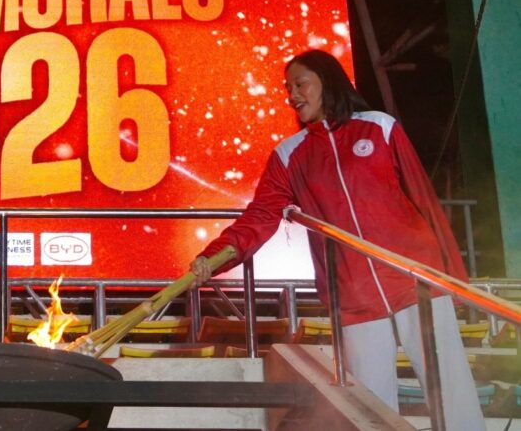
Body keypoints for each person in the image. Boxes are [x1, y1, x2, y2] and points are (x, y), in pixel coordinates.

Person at [190, 50, 483, 429]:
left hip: (416, 280)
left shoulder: (378, 127)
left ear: (327, 80)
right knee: (368, 407)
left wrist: (452, 276)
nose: (292, 95)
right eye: (288, 88)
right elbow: (259, 218)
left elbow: (422, 197)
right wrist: (213, 257)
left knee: (450, 389)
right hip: (353, 295)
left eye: (300, 84)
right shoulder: (289, 155)